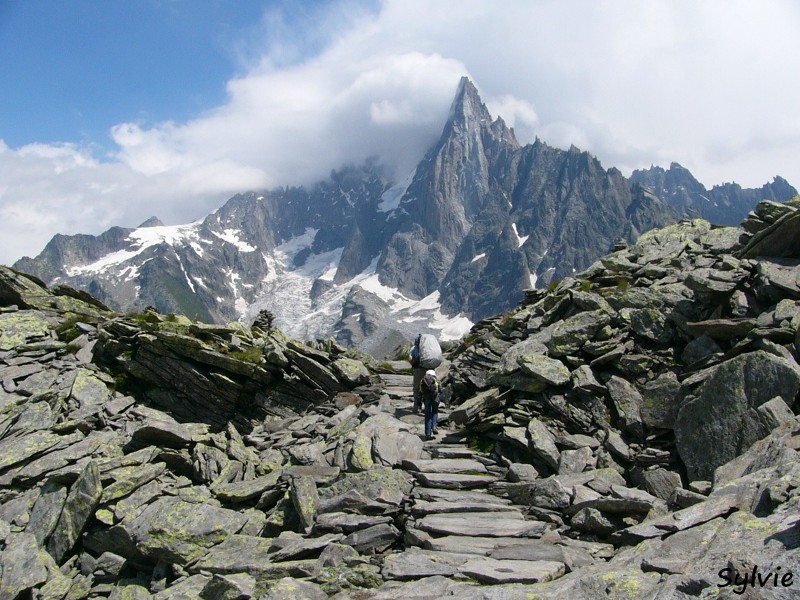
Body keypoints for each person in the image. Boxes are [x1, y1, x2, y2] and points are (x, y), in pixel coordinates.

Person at [419, 369, 441, 440]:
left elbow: (420, 392)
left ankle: (428, 434)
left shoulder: (423, 380)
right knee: (435, 412)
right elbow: (440, 389)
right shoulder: (436, 379)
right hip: (435, 398)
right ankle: (434, 426)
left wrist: (419, 403)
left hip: (426, 399)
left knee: (427, 415)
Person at [409, 334, 424, 413]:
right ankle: (425, 406)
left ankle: (416, 407)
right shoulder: (426, 348)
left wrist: (413, 365)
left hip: (418, 369)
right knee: (426, 386)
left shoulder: (414, 348)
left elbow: (410, 358)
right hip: (428, 369)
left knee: (416, 388)